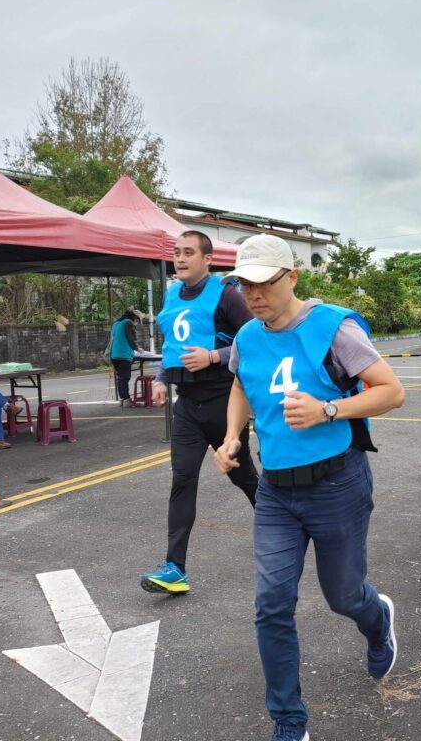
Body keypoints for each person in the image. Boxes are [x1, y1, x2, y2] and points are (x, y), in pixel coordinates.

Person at [213, 234, 405, 741]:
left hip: (337, 483)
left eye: (264, 283)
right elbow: (240, 385)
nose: (253, 295)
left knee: (343, 596)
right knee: (271, 603)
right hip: (276, 491)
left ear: (292, 277)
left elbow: (392, 391)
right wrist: (232, 436)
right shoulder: (249, 337)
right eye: (243, 285)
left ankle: (377, 618)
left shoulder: (332, 328)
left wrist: (328, 409)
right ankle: (289, 720)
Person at [140, 230, 259, 595]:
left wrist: (213, 356)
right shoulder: (172, 293)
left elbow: (257, 337)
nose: (180, 258)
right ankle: (175, 568)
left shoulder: (227, 295)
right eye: (176, 252)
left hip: (225, 404)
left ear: (207, 259)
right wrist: (161, 377)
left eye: (188, 252)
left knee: (243, 478)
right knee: (182, 480)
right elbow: (173, 344)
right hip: (187, 407)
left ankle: (282, 525)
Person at [109, 310, 141, 408]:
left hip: (114, 354)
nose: (136, 322)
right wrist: (137, 348)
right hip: (124, 354)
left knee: (120, 377)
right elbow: (131, 338)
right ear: (134, 317)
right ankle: (127, 400)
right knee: (125, 378)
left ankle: (122, 399)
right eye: (137, 320)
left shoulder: (116, 323)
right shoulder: (128, 323)